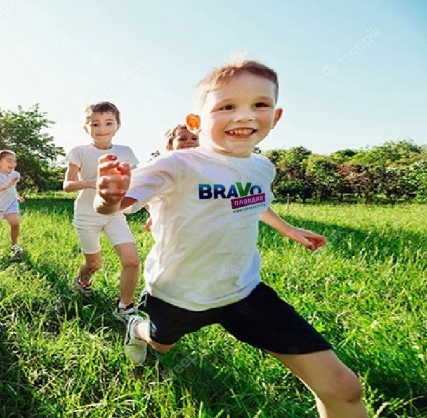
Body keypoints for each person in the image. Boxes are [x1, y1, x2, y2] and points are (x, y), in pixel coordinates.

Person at [95, 60, 367, 418]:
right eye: (226, 107)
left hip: (244, 293)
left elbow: (253, 203)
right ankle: (137, 326)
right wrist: (109, 197)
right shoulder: (176, 164)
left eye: (259, 105)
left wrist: (289, 230)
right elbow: (114, 206)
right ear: (196, 122)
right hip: (179, 295)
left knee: (344, 389)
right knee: (160, 345)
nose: (244, 116)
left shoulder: (261, 167)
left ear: (277, 115)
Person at [63, 101, 141, 323]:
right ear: (86, 127)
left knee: (132, 260)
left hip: (114, 214)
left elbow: (138, 185)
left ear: (118, 125)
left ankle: (125, 306)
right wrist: (90, 182)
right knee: (94, 264)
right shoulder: (79, 152)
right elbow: (67, 185)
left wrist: (149, 210)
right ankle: (83, 280)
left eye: (108, 123)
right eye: (95, 124)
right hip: (86, 216)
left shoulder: (125, 152)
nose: (102, 128)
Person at [144, 124, 200, 231]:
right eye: (182, 139)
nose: (190, 141)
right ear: (170, 147)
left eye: (194, 138)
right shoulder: (166, 165)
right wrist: (153, 211)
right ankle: (154, 215)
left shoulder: (202, 165)